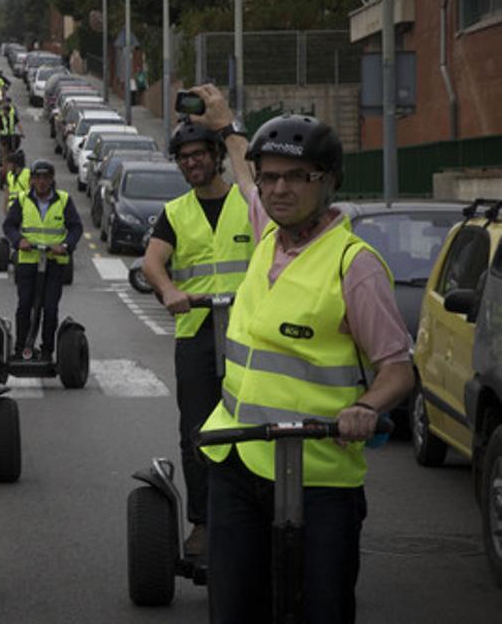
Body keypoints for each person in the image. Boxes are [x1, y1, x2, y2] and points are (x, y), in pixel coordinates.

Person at [187, 85, 414, 623]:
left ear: (327, 181)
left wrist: (366, 408)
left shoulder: (353, 266)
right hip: (237, 460)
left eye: (296, 177)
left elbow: (397, 369)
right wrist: (226, 126)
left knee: (321, 610)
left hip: (319, 475)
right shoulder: (266, 231)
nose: (278, 189)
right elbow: (242, 174)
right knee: (234, 609)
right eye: (271, 177)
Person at [140, 121, 255, 560]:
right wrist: (168, 290)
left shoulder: (247, 204)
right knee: (198, 433)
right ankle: (204, 523)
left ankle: (255, 514)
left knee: (254, 426)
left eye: (199, 154)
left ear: (216, 155)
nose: (192, 163)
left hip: (248, 330)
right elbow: (153, 262)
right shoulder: (176, 212)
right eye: (184, 158)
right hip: (196, 334)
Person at [2, 159, 83, 359]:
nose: (41, 182)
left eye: (46, 177)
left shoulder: (63, 200)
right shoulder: (22, 200)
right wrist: (18, 240)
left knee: (50, 308)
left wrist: (64, 246)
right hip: (28, 261)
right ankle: (22, 348)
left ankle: (47, 350)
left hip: (54, 263)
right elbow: (9, 225)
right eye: (37, 178)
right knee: (24, 305)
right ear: (31, 180)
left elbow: (76, 227)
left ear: (52, 179)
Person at [1, 150, 30, 215]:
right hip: (12, 207)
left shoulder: (28, 174)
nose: (8, 166)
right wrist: (4, 207)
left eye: (10, 164)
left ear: (16, 164)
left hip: (24, 207)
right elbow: (7, 193)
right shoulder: (9, 175)